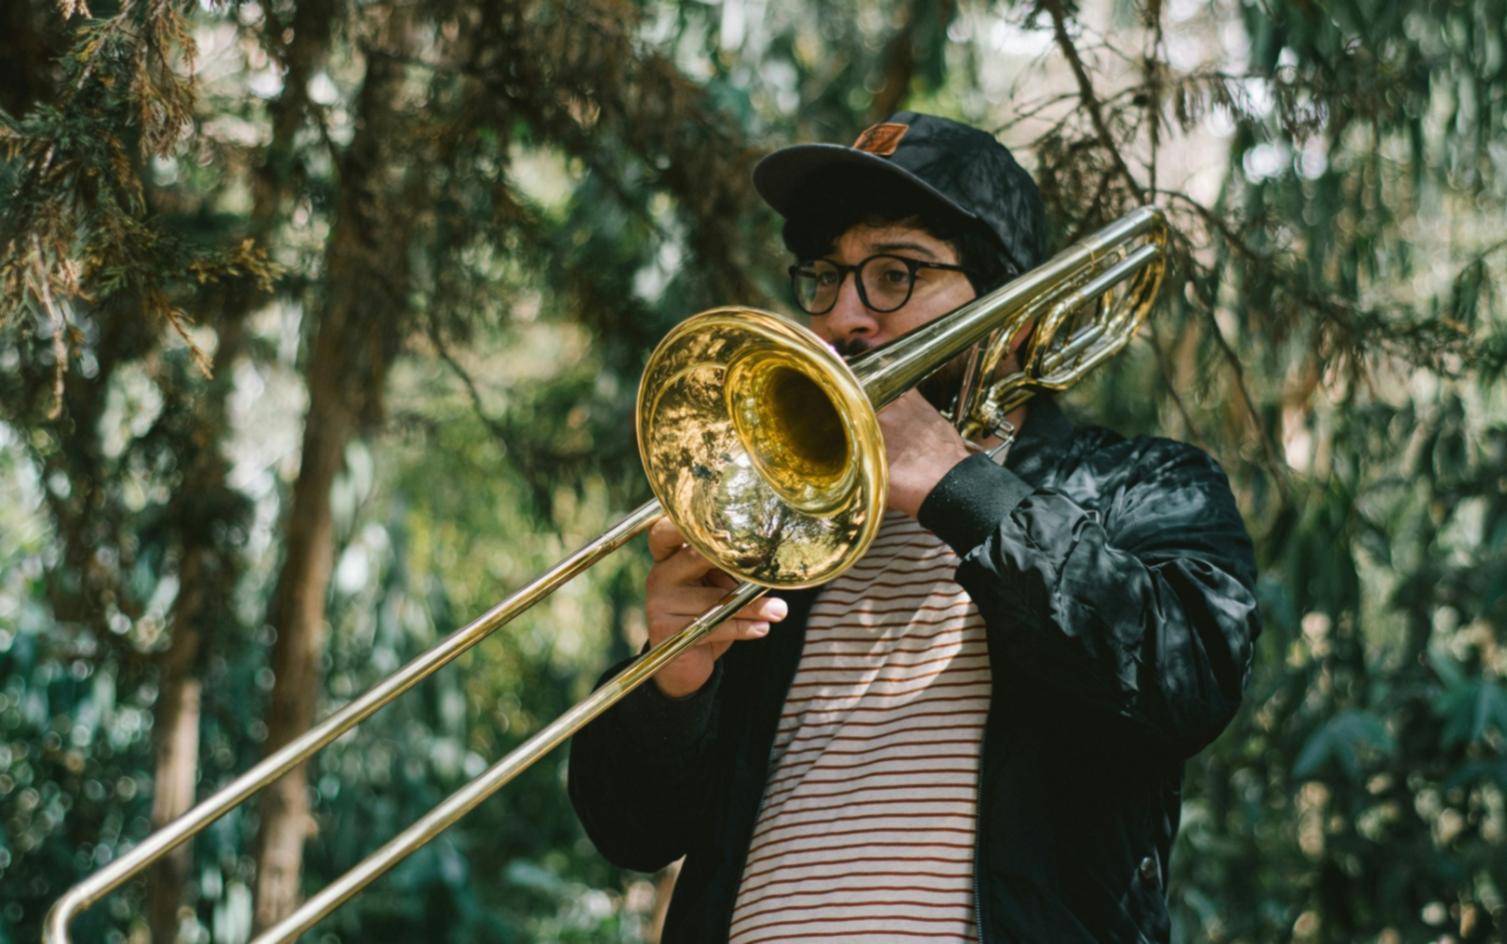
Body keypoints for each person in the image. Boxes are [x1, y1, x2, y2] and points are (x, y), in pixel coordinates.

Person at [568, 112, 1260, 944]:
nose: (843, 318)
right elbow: (630, 831)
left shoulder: (1140, 484)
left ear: (1014, 307)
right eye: (825, 277)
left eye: (894, 274)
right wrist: (672, 683)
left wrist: (958, 488)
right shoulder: (779, 525)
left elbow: (1186, 681)